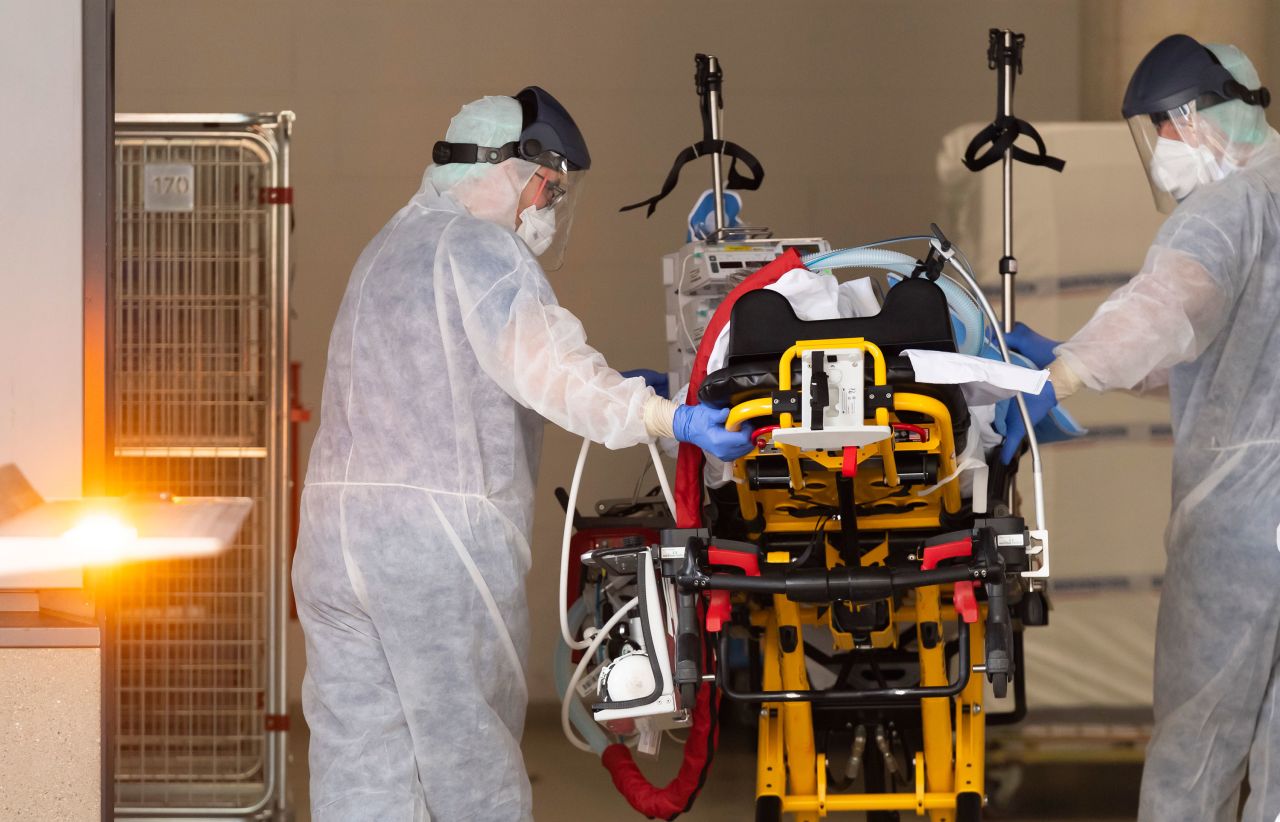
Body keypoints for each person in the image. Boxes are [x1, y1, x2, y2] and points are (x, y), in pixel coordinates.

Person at [291, 89, 753, 822]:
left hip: (333, 546)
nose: (546, 209)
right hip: (434, 555)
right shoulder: (480, 250)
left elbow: (453, 375)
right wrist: (668, 416)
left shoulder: (387, 247)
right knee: (467, 757)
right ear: (512, 171)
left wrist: (625, 391)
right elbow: (553, 370)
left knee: (360, 764)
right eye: (550, 189)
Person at [1004, 36, 1280, 821]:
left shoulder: (1225, 212)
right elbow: (1217, 347)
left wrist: (1068, 370)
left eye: (1158, 131)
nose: (1158, 154)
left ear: (1191, 119)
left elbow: (1168, 312)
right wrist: (1072, 355)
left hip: (1242, 524)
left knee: (1197, 744)